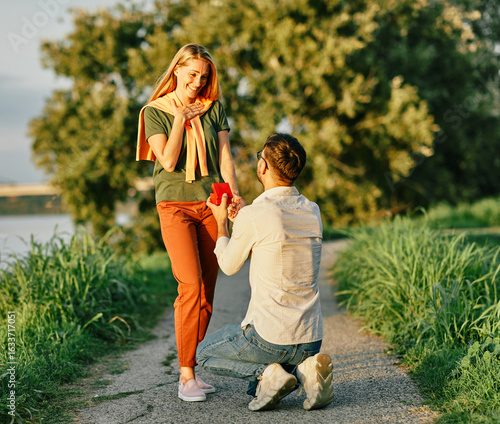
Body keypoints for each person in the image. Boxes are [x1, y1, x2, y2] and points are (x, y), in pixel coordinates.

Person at [198, 133, 334, 411]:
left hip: (270, 338)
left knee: (203, 355)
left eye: (260, 157)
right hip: (310, 338)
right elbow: (277, 229)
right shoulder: (312, 210)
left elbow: (228, 265)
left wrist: (222, 223)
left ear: (263, 167)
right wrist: (246, 215)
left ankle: (271, 374)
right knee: (256, 390)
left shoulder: (257, 214)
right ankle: (305, 372)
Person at [136, 43, 242, 402]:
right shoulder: (156, 111)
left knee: (208, 294)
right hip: (174, 205)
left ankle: (191, 362)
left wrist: (234, 195)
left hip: (211, 202)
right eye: (192, 73)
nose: (198, 82)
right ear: (177, 70)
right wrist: (181, 117)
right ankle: (186, 375)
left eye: (204, 75)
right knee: (191, 286)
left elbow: (225, 157)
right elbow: (166, 160)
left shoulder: (214, 109)